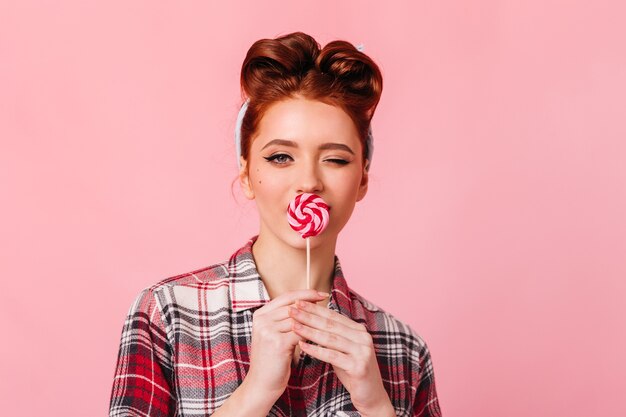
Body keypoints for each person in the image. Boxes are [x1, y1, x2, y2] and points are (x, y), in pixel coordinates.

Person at [109, 31, 442, 417]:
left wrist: (376, 405)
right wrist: (254, 393)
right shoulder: (167, 314)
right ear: (247, 174)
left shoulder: (403, 349)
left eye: (335, 159)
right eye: (281, 157)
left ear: (362, 179)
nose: (308, 182)